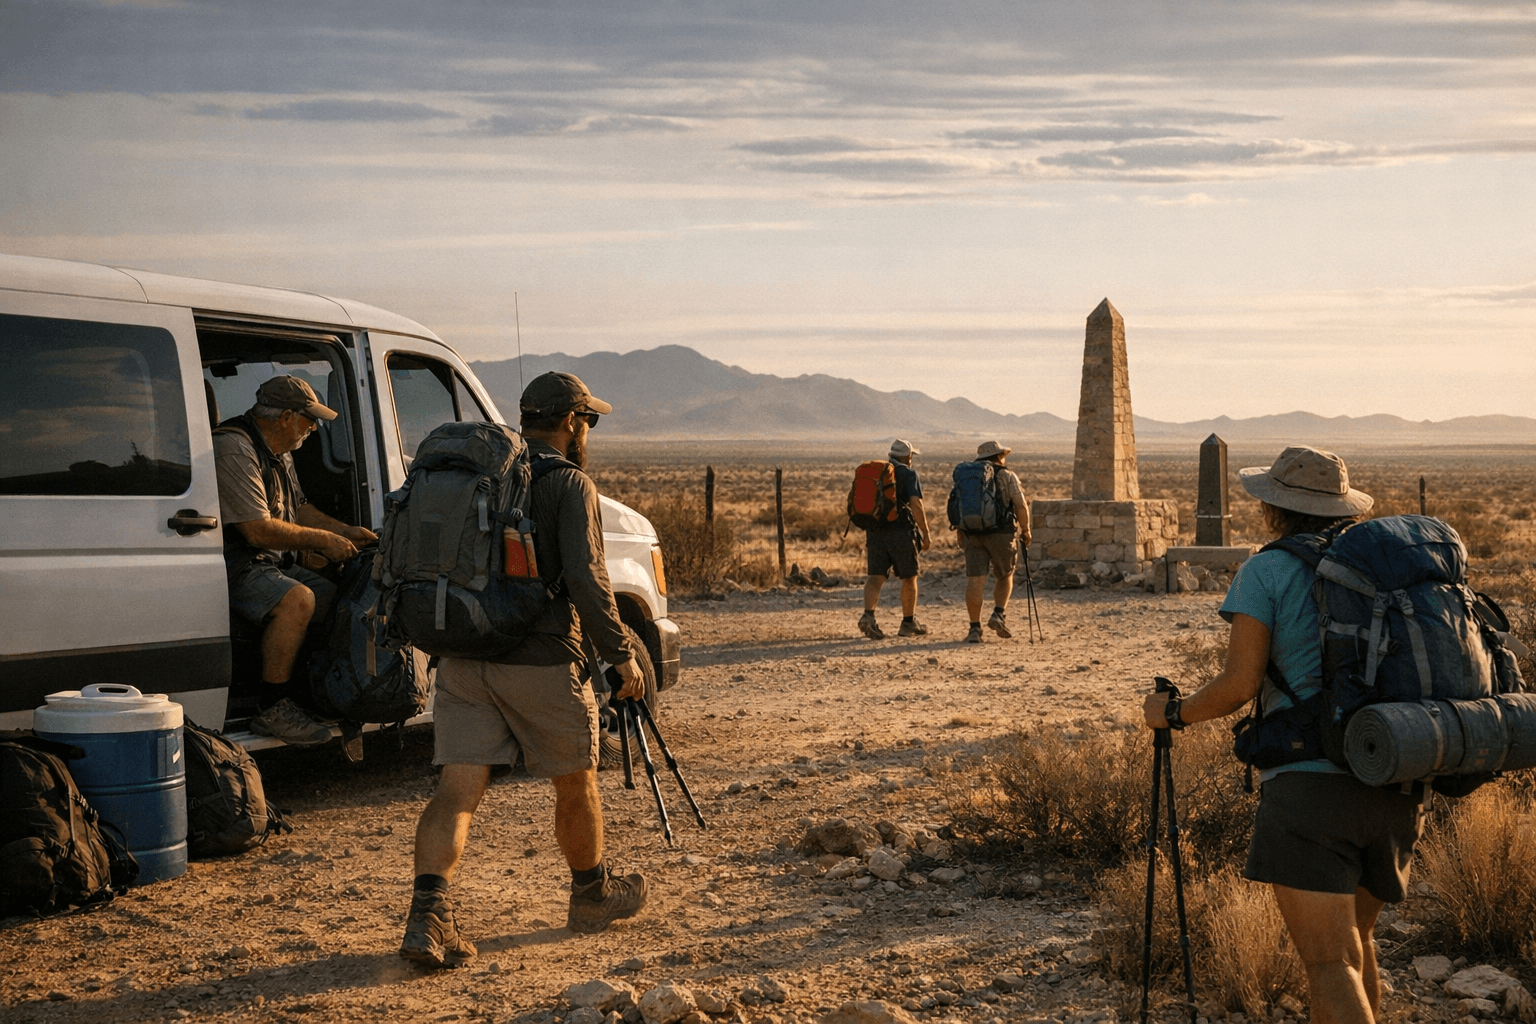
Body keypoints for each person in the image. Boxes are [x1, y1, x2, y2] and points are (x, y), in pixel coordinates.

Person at [1140, 445, 1421, 1024]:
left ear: (1275, 509)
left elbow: (1240, 683)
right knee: (1356, 944)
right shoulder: (1383, 568)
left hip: (1310, 787)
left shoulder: (1266, 570)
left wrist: (1173, 714)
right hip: (1394, 768)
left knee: (1327, 964)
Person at [400, 371, 649, 968]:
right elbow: (589, 581)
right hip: (540, 661)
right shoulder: (568, 482)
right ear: (569, 421)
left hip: (465, 658)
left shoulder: (486, 474)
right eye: (586, 419)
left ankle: (428, 918)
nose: (587, 430)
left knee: (457, 790)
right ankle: (591, 895)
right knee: (575, 780)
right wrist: (620, 655)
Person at [214, 375, 377, 746]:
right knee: (298, 599)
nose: (314, 427)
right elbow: (257, 530)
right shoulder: (235, 449)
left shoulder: (279, 451)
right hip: (236, 564)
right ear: (286, 417)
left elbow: (298, 509)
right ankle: (271, 709)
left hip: (268, 563)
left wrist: (347, 531)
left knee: (340, 600)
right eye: (309, 418)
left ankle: (313, 693)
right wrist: (324, 541)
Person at [956, 440, 1031, 643]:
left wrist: (960, 531)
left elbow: (957, 506)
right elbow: (1021, 505)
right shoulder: (1007, 476)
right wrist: (1026, 530)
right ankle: (998, 614)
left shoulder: (968, 477)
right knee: (1005, 574)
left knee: (975, 580)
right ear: (999, 456)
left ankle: (974, 628)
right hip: (1002, 533)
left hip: (972, 533)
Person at [858, 438, 933, 639]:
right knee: (909, 576)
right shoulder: (909, 474)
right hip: (901, 532)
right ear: (908, 457)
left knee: (876, 576)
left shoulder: (878, 473)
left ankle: (868, 616)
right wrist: (925, 533)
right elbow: (916, 505)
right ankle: (908, 622)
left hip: (875, 531)